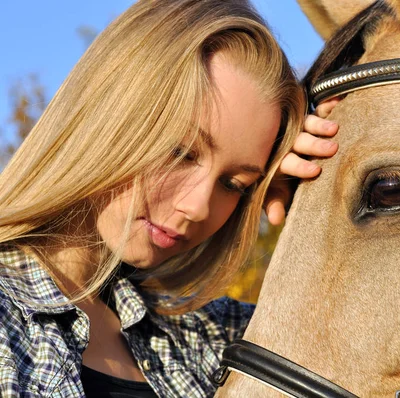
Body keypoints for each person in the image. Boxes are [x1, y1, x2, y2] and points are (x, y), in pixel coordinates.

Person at [0, 0, 339, 397]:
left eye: (234, 184)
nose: (197, 207)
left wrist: (323, 188)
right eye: (182, 154)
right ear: (108, 112)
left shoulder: (216, 337)